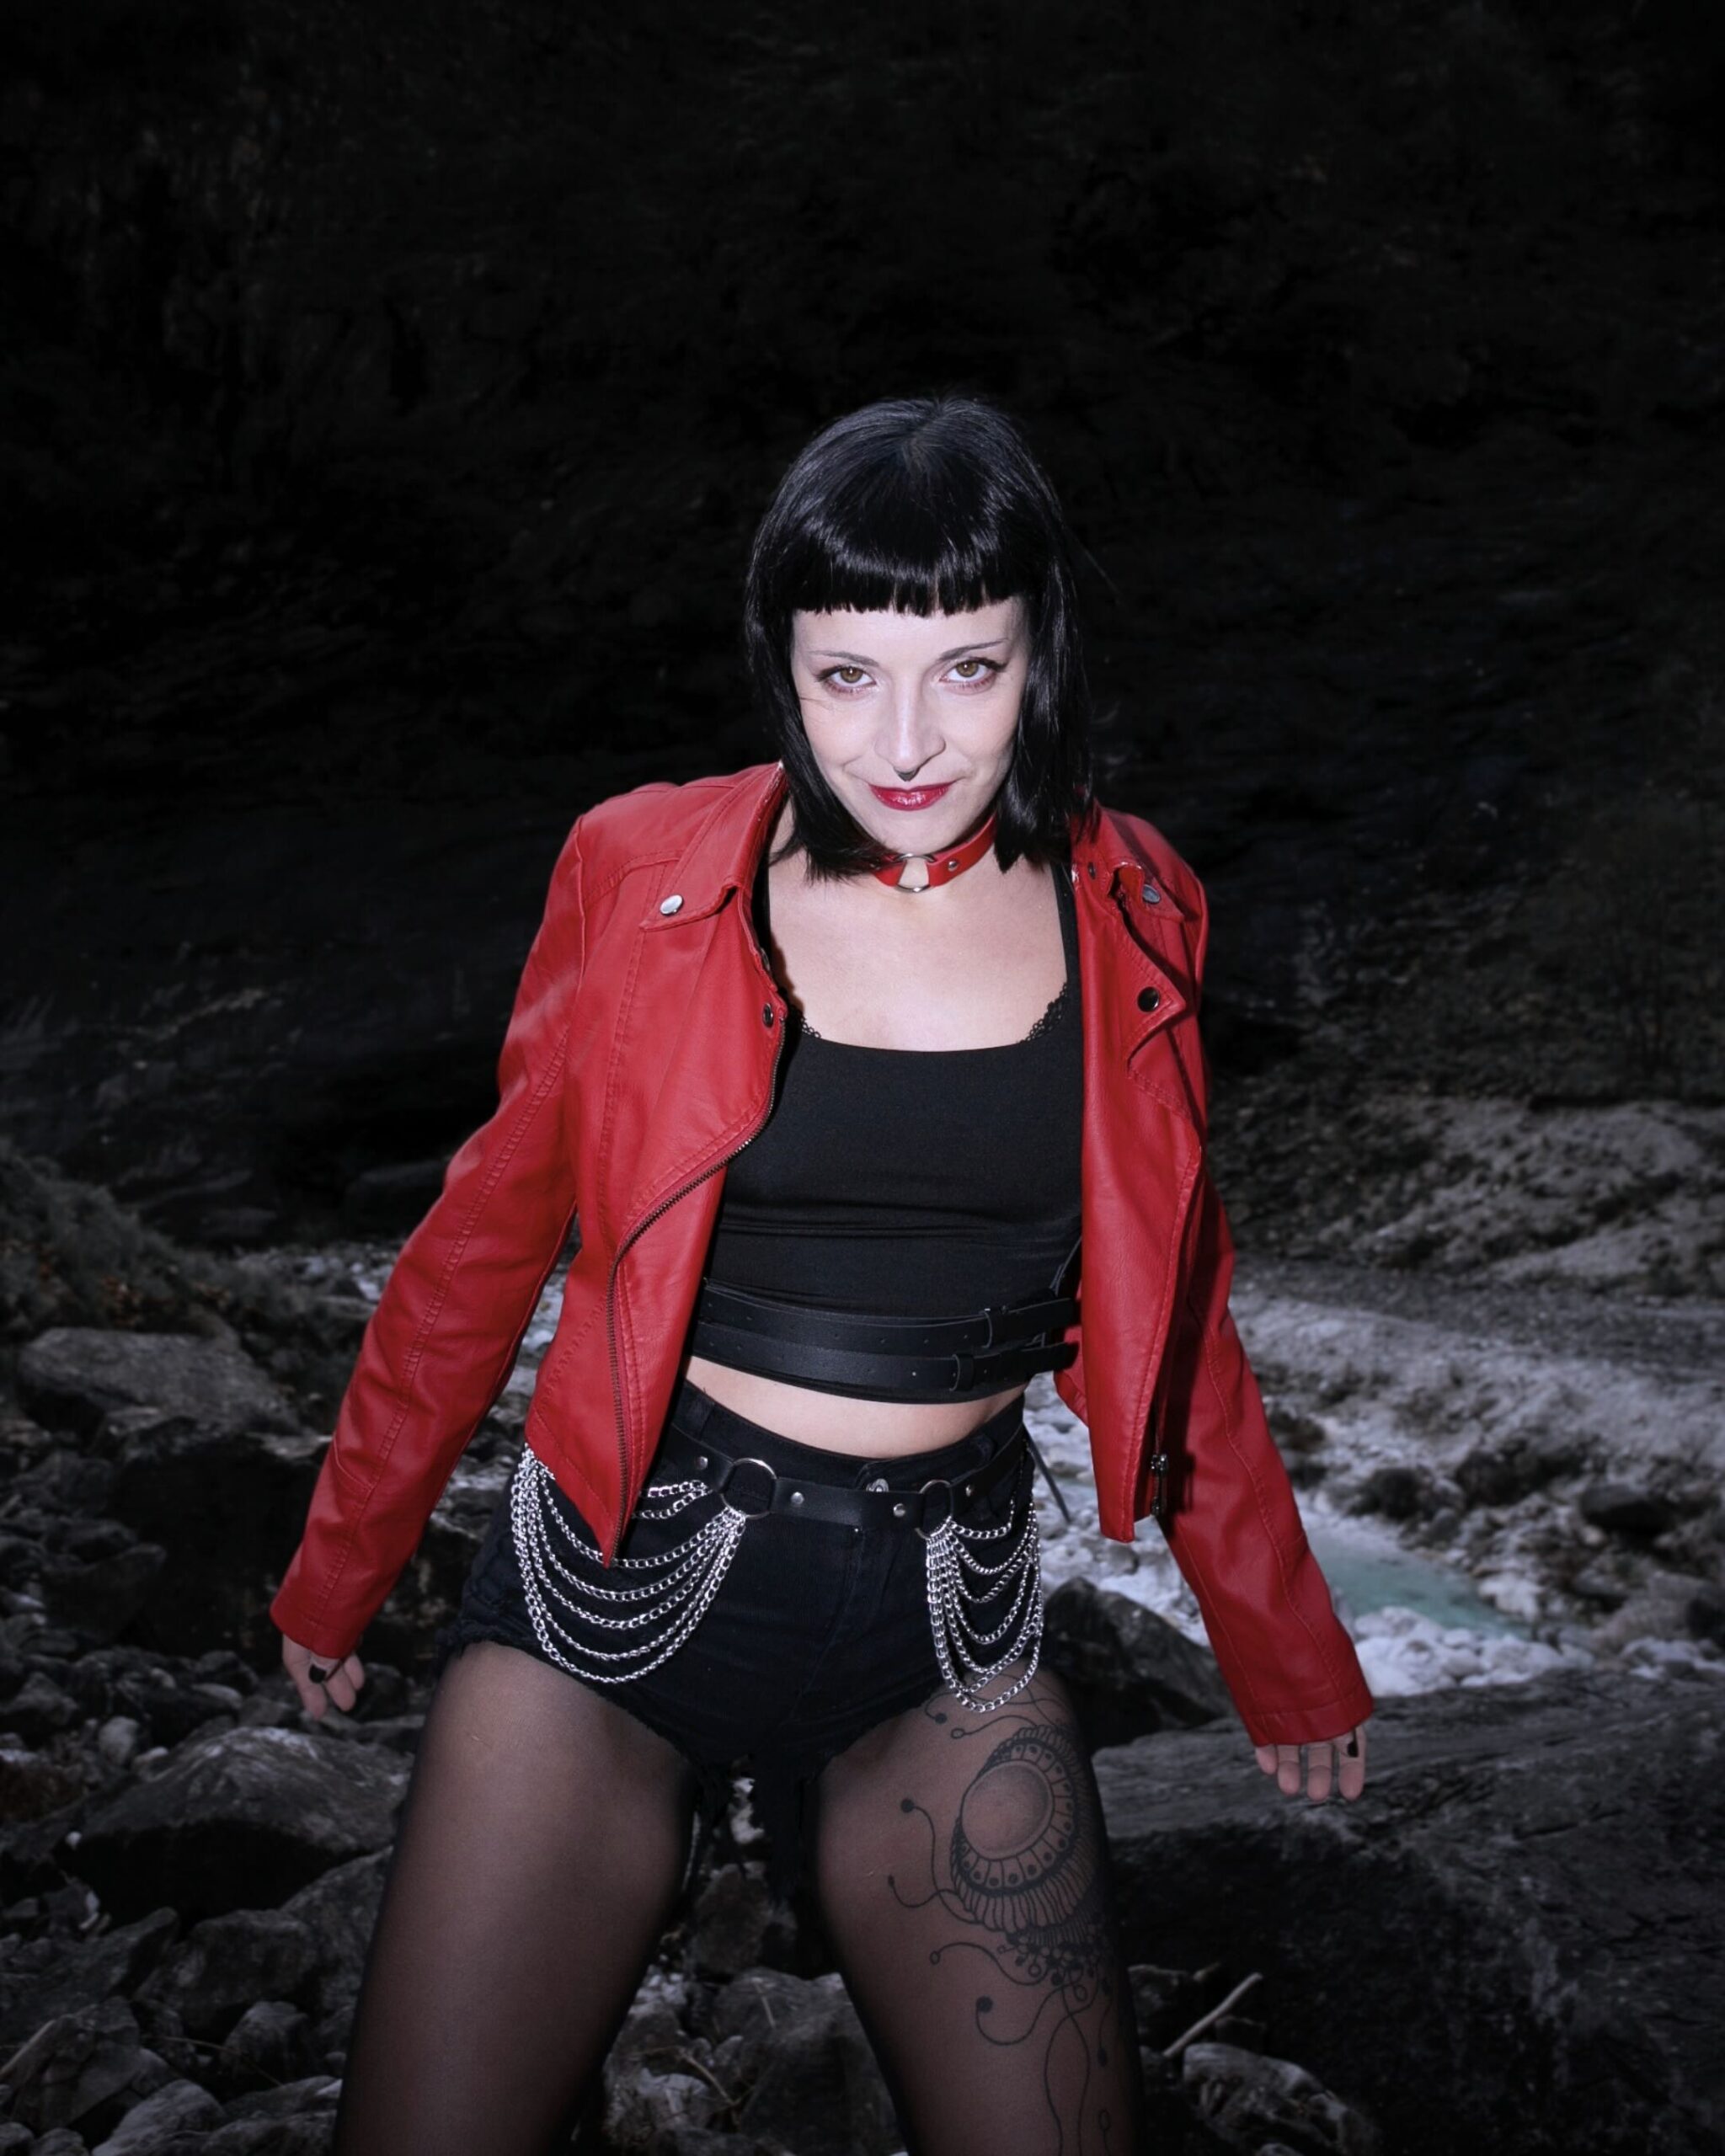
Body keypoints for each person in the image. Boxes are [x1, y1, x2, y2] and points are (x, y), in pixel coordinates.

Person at [270, 393, 1374, 2156]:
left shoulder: (1143, 904)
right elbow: (476, 1244)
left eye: (967, 669)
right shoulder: (641, 870)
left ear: (1041, 652)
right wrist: (341, 1567)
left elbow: (1176, 1313)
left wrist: (1288, 1653)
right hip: (607, 1610)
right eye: (848, 675)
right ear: (781, 665)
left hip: (946, 1633)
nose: (908, 739)